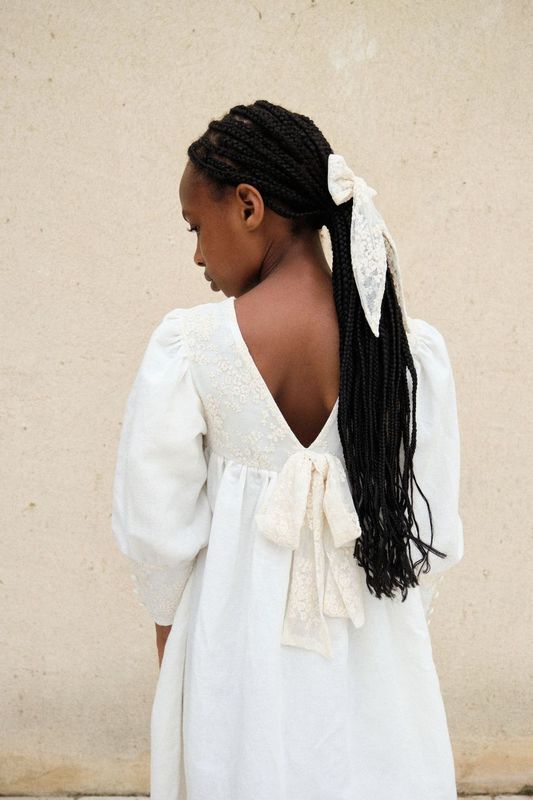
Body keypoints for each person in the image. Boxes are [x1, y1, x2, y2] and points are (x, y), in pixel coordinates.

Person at [111, 99, 464, 800]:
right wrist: (392, 639)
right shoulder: (401, 352)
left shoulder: (192, 350)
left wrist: (170, 638)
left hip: (233, 653)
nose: (197, 255)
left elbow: (157, 531)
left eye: (196, 226)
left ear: (248, 206)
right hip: (376, 655)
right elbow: (431, 534)